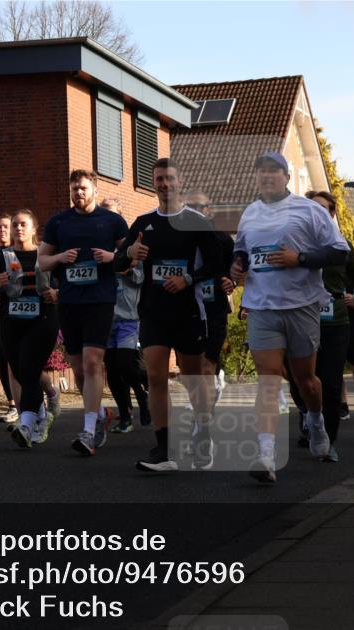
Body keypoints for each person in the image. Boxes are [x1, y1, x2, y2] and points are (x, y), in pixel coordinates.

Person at [231, 152, 350, 484]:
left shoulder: (309, 210)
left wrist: (301, 258)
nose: (268, 176)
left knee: (306, 380)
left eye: (275, 171)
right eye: (262, 171)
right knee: (268, 379)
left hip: (301, 306)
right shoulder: (250, 213)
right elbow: (241, 250)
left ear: (286, 177)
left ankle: (316, 421)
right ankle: (266, 455)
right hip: (262, 306)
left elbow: (340, 251)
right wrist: (237, 265)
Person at [123, 158, 227, 472]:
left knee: (193, 379)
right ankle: (163, 449)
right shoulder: (143, 222)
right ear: (153, 183)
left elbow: (217, 263)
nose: (165, 184)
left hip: (188, 312)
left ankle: (203, 434)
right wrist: (129, 253)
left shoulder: (196, 222)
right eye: (159, 179)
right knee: (155, 377)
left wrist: (188, 279)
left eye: (169, 178)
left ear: (179, 182)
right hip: (153, 312)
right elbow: (117, 262)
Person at [39, 170, 128, 455]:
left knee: (92, 363)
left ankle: (88, 431)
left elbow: (131, 259)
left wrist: (113, 257)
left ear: (95, 190)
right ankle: (100, 414)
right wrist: (60, 257)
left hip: (100, 300)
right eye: (74, 188)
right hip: (69, 301)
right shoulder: (59, 222)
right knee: (78, 368)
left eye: (83, 188)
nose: (78, 192)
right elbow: (42, 261)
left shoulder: (112, 221)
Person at [296, 189, 354, 461]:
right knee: (301, 381)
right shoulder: (296, 241)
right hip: (302, 319)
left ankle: (329, 440)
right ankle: (311, 418)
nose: (315, 213)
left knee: (330, 383)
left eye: (322, 209)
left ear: (331, 214)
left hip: (335, 322)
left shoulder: (342, 245)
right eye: (311, 208)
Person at [0, 210, 59, 447]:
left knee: (30, 370)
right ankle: (42, 417)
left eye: (23, 224)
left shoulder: (46, 254)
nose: (18, 228)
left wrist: (57, 293)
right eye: (15, 225)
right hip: (11, 322)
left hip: (42, 320)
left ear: (34, 228)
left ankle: (25, 425)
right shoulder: (1, 257)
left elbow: (66, 282)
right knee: (21, 372)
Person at [99, 197, 151, 434]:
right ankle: (125, 415)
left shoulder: (132, 245)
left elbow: (140, 278)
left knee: (126, 365)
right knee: (111, 369)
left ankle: (142, 395)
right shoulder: (96, 247)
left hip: (128, 315)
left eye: (112, 214)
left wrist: (123, 267)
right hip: (105, 317)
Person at [184, 189, 236, 409]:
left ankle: (206, 405)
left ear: (208, 210)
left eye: (199, 207)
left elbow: (235, 269)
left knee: (207, 361)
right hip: (187, 308)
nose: (194, 211)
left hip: (214, 306)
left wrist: (231, 281)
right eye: (190, 207)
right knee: (191, 362)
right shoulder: (180, 237)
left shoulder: (222, 239)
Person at [0, 215, 20, 424]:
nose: (1, 231)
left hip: (19, 313)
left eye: (5, 227)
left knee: (19, 359)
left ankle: (35, 398)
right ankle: (12, 405)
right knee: (2, 359)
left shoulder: (19, 253)